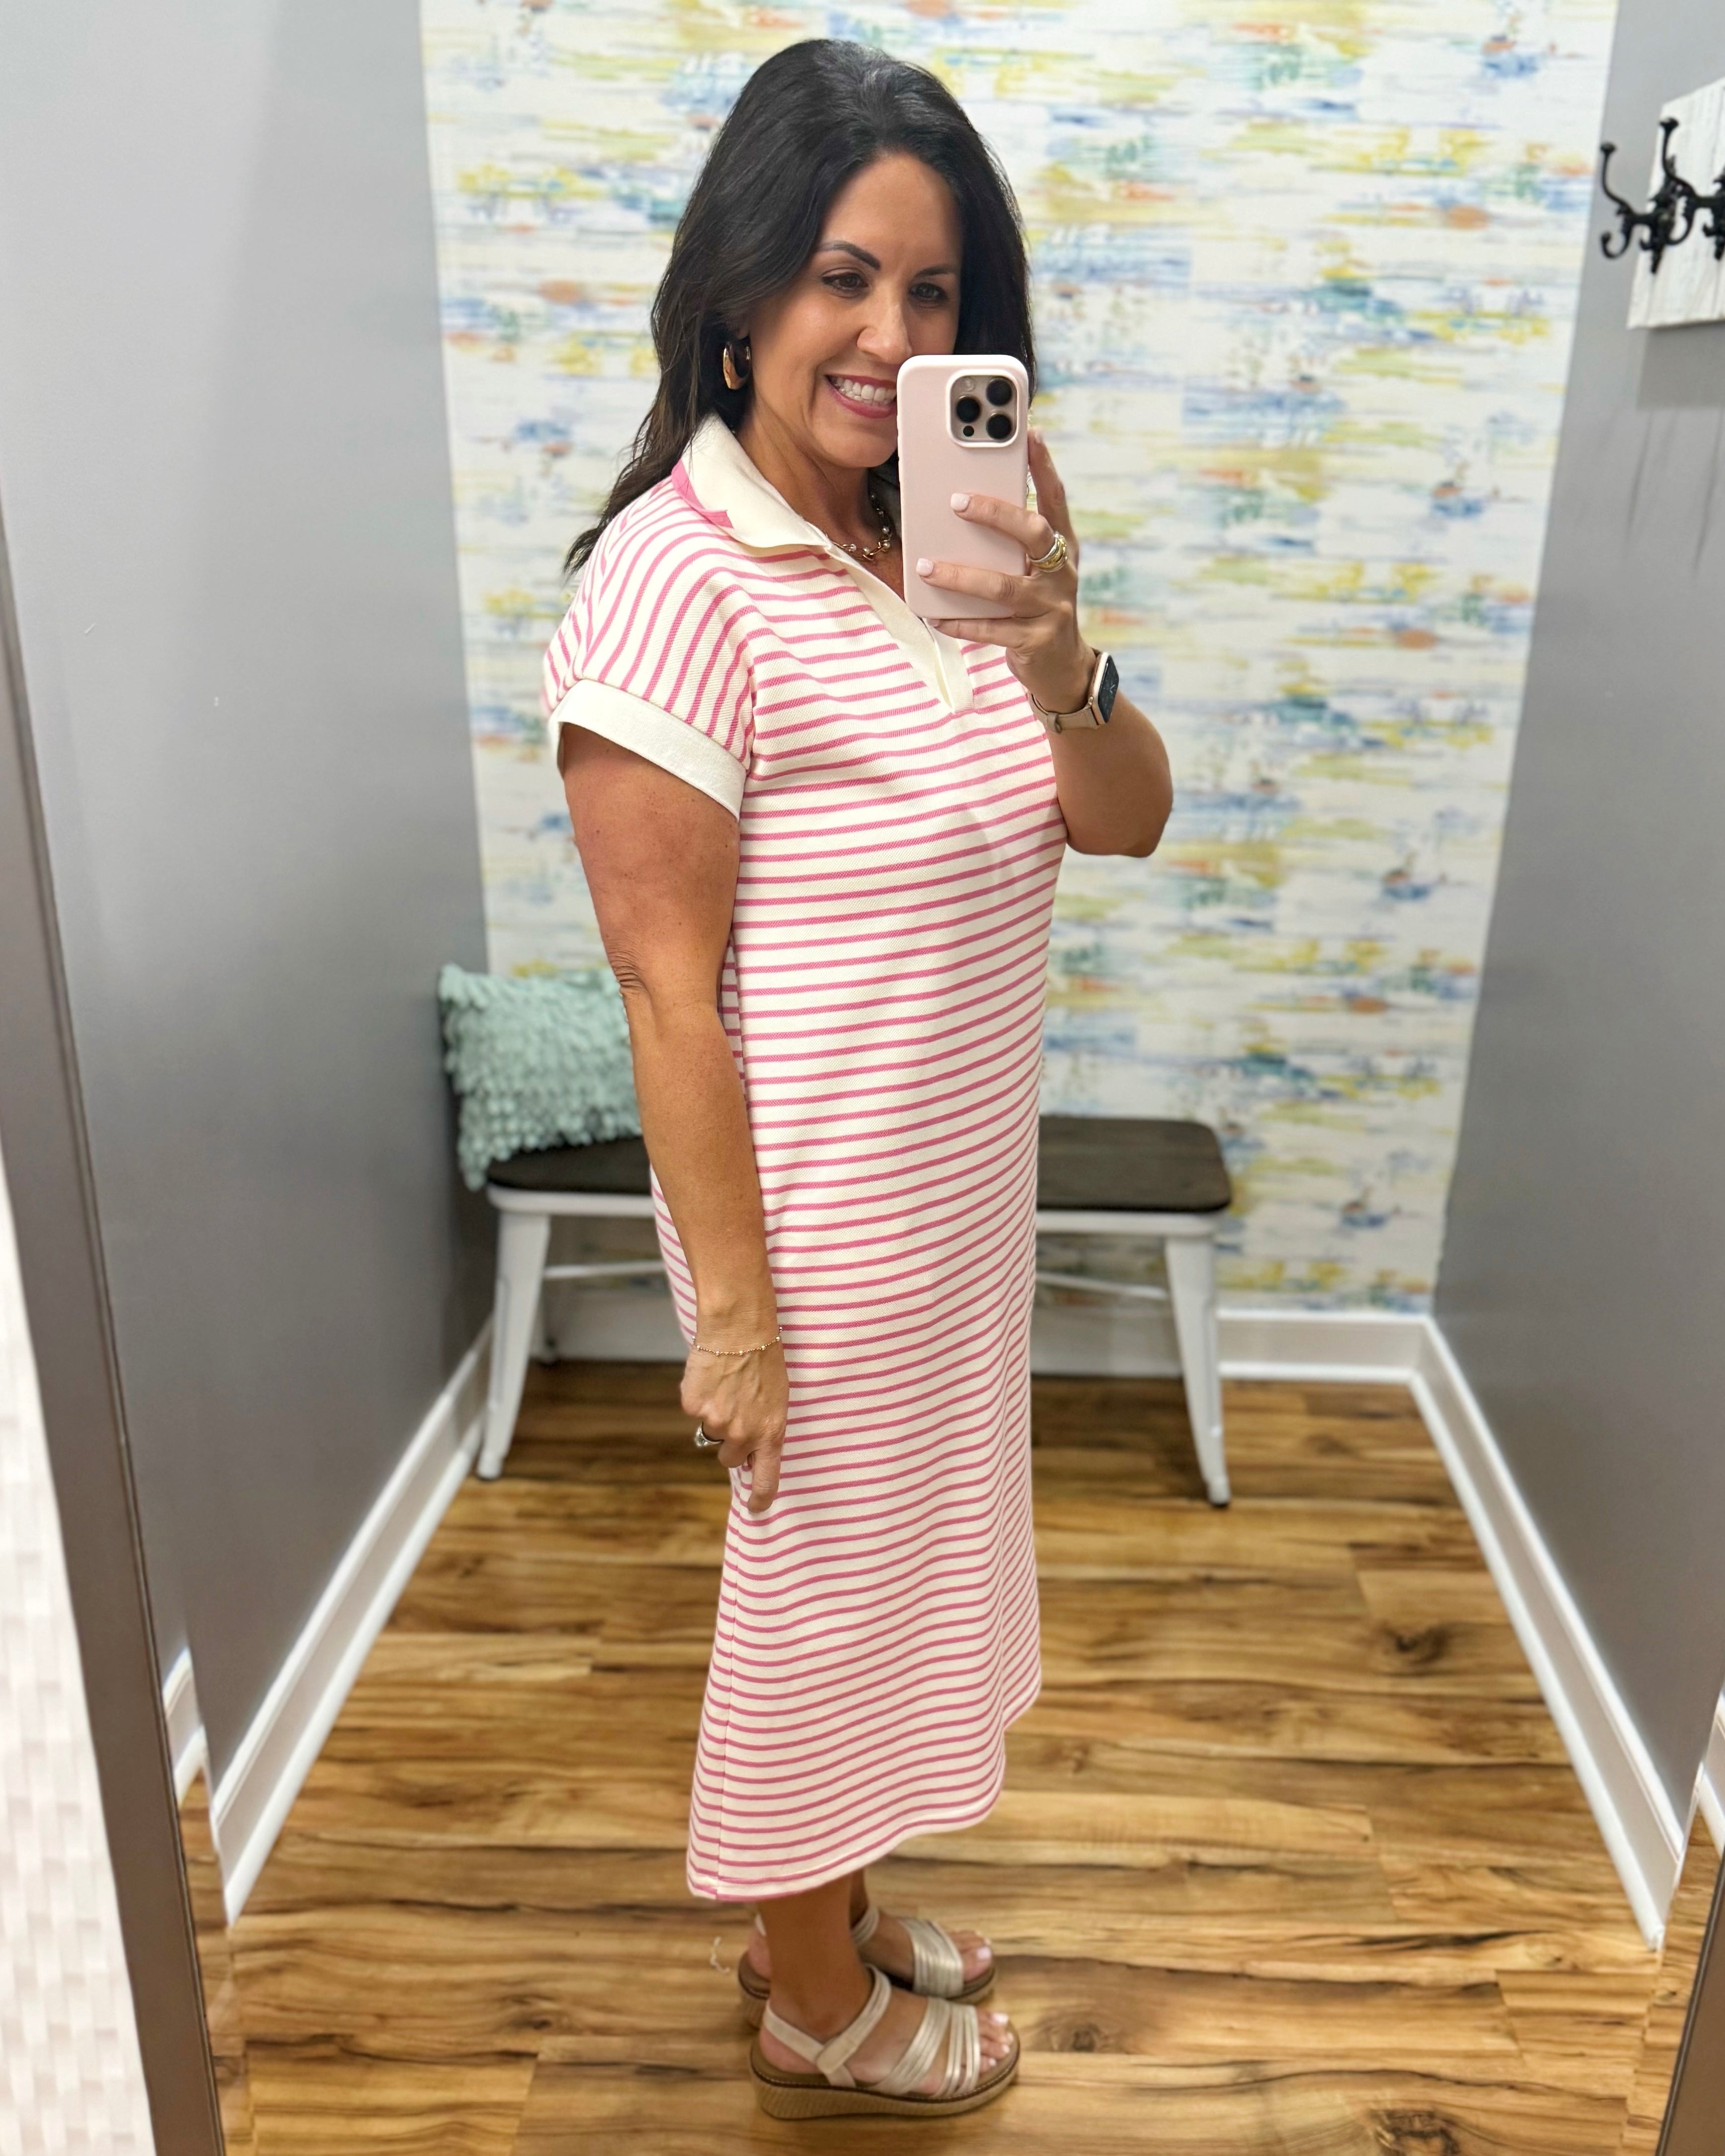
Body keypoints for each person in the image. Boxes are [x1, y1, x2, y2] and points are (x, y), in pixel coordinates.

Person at [542, 37, 1172, 2121]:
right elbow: (665, 994)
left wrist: (1063, 650)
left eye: (930, 296)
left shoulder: (947, 554)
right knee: (819, 1616)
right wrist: (731, 1314)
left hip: (948, 1216)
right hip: (813, 1239)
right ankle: (812, 1991)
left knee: (905, 1581)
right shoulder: (676, 577)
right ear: (737, 295)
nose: (887, 333)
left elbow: (1124, 818)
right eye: (839, 276)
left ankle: (827, 1908)